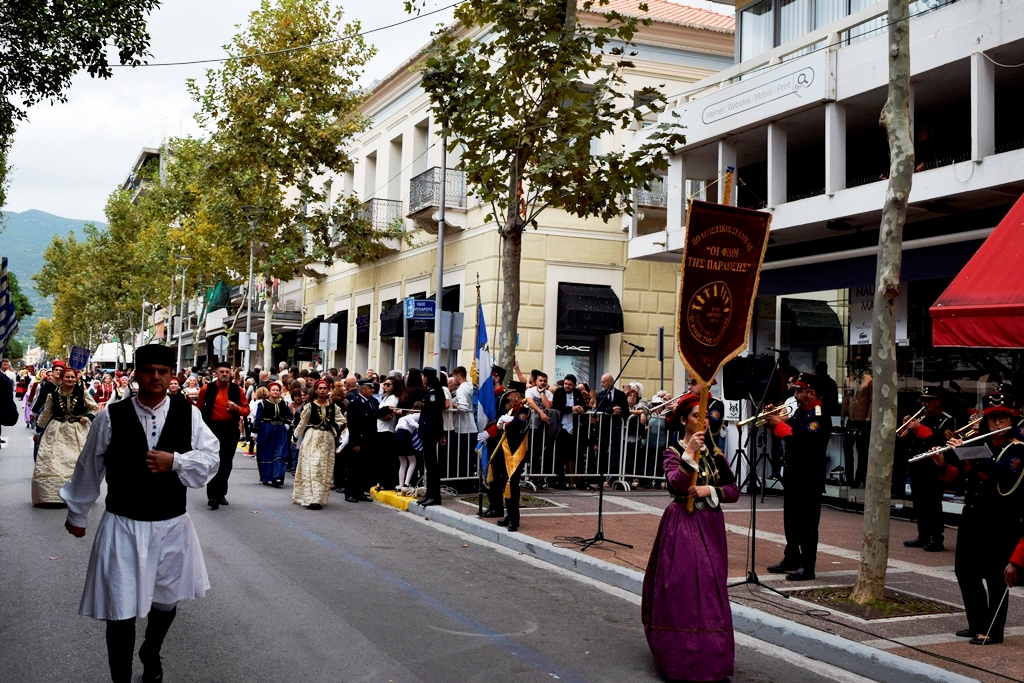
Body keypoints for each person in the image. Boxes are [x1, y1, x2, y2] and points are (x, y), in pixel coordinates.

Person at [59, 344, 220, 683]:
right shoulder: (110, 416)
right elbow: (89, 467)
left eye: (163, 371)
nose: (156, 377)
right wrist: (77, 515)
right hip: (123, 525)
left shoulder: (188, 414)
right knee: (121, 609)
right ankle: (121, 678)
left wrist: (175, 461)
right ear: (137, 374)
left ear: (172, 376)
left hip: (172, 525)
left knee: (166, 600)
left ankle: (151, 648)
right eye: (149, 370)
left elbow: (210, 461)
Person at [642, 392, 740, 682]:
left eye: (707, 414)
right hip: (681, 526)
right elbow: (676, 484)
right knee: (683, 587)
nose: (705, 419)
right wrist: (689, 455)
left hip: (710, 525)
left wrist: (708, 490)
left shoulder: (715, 453)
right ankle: (681, 658)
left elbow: (733, 490)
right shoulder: (672, 451)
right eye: (698, 414)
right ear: (684, 419)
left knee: (711, 587)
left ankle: (712, 658)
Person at [934, 392, 1024, 645]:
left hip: (999, 521)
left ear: (1011, 418)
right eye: (993, 419)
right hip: (971, 517)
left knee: (995, 576)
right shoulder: (978, 445)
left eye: (1002, 418)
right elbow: (957, 477)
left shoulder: (1017, 449)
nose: (997, 424)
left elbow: (998, 477)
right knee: (965, 572)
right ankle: (976, 624)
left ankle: (994, 630)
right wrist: (941, 462)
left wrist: (970, 453)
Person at [765, 372, 832, 581]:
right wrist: (770, 421)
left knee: (807, 524)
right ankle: (791, 557)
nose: (795, 393)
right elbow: (786, 431)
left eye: (799, 390)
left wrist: (779, 423)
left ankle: (807, 566)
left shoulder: (818, 416)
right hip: (794, 474)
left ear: (811, 393)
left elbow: (800, 441)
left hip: (809, 477)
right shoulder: (801, 412)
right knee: (791, 520)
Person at [32, 367, 100, 507]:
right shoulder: (53, 395)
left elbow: (95, 407)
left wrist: (87, 418)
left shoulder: (82, 393)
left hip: (77, 431)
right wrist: (38, 431)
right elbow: (46, 413)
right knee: (53, 460)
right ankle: (52, 495)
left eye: (72, 377)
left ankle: (78, 494)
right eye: (67, 377)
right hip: (56, 430)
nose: (70, 380)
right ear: (62, 379)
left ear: (76, 379)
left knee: (77, 460)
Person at [900, 386, 956, 552]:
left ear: (938, 401)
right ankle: (922, 535)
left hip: (933, 466)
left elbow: (939, 440)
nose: (924, 403)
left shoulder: (947, 419)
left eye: (928, 400)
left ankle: (937, 538)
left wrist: (918, 428)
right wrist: (907, 427)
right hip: (917, 465)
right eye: (923, 400)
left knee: (932, 503)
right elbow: (908, 439)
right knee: (919, 502)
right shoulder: (923, 417)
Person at [195, 361, 249, 510]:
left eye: (227, 372)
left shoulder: (237, 390)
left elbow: (246, 410)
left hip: (230, 428)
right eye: (221, 372)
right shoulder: (207, 389)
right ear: (216, 373)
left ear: (231, 373)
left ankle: (221, 494)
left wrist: (236, 408)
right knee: (213, 461)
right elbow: (197, 409)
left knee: (226, 462)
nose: (224, 374)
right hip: (211, 429)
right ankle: (212, 495)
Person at [292, 379, 343, 510]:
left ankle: (319, 498)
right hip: (312, 437)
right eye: (320, 388)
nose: (322, 390)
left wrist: (334, 427)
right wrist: (295, 436)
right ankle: (311, 498)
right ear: (316, 390)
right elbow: (303, 422)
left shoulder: (333, 407)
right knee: (312, 466)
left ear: (328, 390)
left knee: (323, 468)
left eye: (324, 388)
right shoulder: (310, 406)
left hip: (327, 439)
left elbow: (341, 421)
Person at [491, 382, 531, 532]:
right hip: (506, 451)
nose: (508, 396)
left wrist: (506, 424)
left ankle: (514, 520)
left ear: (517, 395)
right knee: (505, 484)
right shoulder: (512, 409)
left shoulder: (525, 409)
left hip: (516, 452)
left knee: (512, 485)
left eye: (510, 393)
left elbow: (519, 424)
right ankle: (510, 515)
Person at [252, 382, 292, 487]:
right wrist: (255, 432)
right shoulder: (263, 404)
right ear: (269, 392)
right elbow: (258, 418)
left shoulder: (283, 404)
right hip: (267, 429)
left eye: (277, 390)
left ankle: (277, 477)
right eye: (273, 390)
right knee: (267, 452)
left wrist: (287, 423)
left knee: (280, 453)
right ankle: (266, 477)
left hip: (280, 430)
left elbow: (290, 415)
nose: (275, 392)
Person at [344, 378, 378, 503]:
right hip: (360, 439)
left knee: (365, 467)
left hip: (370, 439)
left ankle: (360, 492)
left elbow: (375, 416)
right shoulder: (355, 403)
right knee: (354, 468)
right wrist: (355, 443)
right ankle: (350, 493)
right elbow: (352, 425)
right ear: (362, 389)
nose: (372, 390)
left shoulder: (373, 401)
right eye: (370, 388)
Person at [417, 367, 446, 507]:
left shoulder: (434, 392)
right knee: (429, 465)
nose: (422, 379)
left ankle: (434, 496)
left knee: (432, 466)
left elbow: (435, 412)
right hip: (427, 431)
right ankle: (430, 494)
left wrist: (440, 433)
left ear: (427, 377)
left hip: (430, 431)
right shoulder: (430, 391)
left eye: (423, 376)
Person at [594, 373, 629, 481]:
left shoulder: (621, 395)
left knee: (616, 451)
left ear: (610, 382)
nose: (602, 384)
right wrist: (612, 410)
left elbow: (626, 410)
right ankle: (600, 476)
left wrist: (620, 412)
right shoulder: (600, 395)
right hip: (604, 426)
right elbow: (600, 409)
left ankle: (614, 476)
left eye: (603, 382)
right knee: (602, 451)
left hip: (616, 426)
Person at [841, 365, 872, 487]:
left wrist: (869, 417)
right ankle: (849, 478)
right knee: (847, 449)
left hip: (862, 419)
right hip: (851, 419)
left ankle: (860, 478)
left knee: (862, 451)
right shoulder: (849, 380)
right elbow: (845, 398)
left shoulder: (869, 381)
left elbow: (871, 400)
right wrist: (843, 415)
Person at [375, 376, 402, 490]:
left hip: (387, 430)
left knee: (387, 459)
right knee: (382, 458)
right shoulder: (386, 397)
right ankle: (383, 481)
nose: (385, 386)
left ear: (394, 387)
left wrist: (379, 414)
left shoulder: (393, 398)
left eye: (388, 384)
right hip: (381, 429)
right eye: (384, 384)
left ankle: (387, 483)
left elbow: (387, 415)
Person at [395, 403, 422, 492]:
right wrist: (418, 427)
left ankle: (400, 485)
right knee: (413, 461)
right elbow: (409, 420)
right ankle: (406, 484)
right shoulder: (417, 415)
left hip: (397, 435)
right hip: (405, 435)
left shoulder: (405, 416)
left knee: (403, 463)